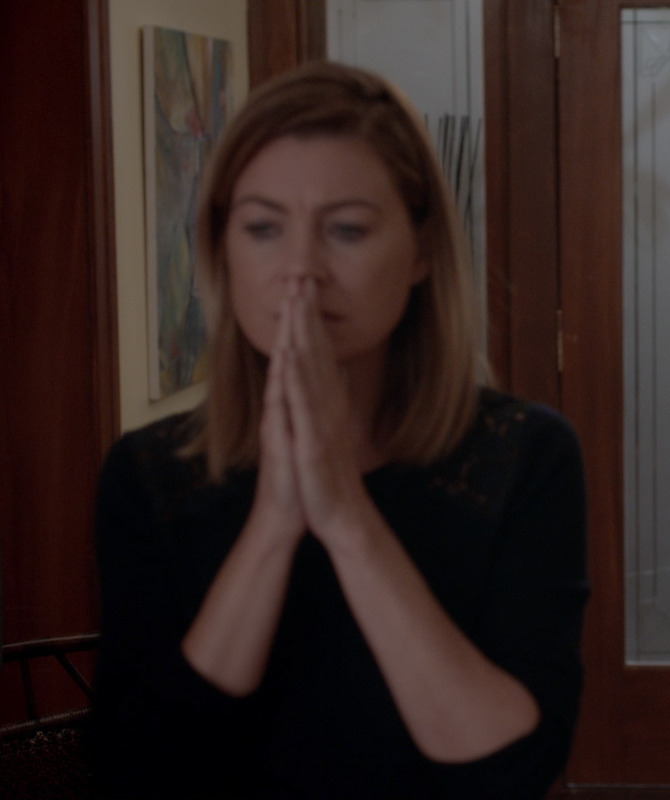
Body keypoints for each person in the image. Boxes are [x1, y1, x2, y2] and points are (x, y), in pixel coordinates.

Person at [90, 61, 588, 799]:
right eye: (262, 227)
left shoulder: (523, 456)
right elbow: (140, 770)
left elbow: (511, 768)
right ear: (223, 246)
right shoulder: (150, 473)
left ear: (421, 250)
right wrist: (275, 522)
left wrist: (346, 516)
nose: (300, 270)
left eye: (347, 230)